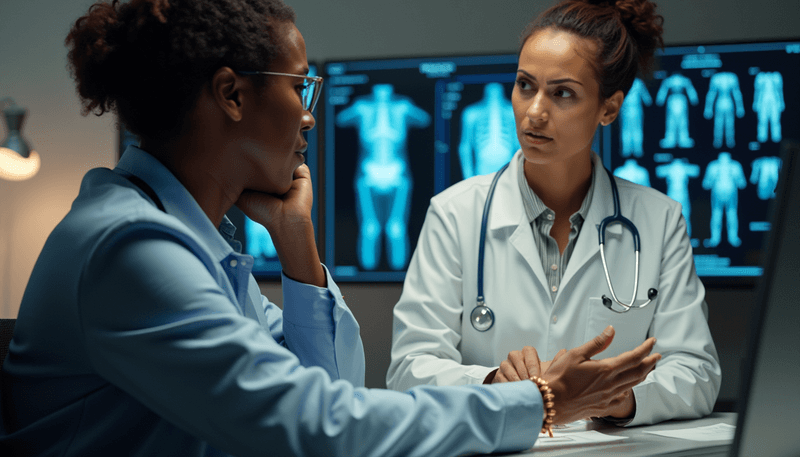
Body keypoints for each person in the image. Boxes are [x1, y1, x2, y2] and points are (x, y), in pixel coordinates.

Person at [0, 1, 661, 456]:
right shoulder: (131, 250)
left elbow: (330, 389)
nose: (310, 117)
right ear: (232, 95)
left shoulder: (190, 243)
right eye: (301, 87)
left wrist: (297, 246)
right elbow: (319, 428)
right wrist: (539, 401)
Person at [388, 0, 721, 427]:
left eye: (562, 93)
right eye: (525, 85)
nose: (534, 112)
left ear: (609, 108)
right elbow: (408, 370)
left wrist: (612, 397)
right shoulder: (454, 214)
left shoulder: (658, 220)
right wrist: (493, 383)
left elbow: (697, 371)